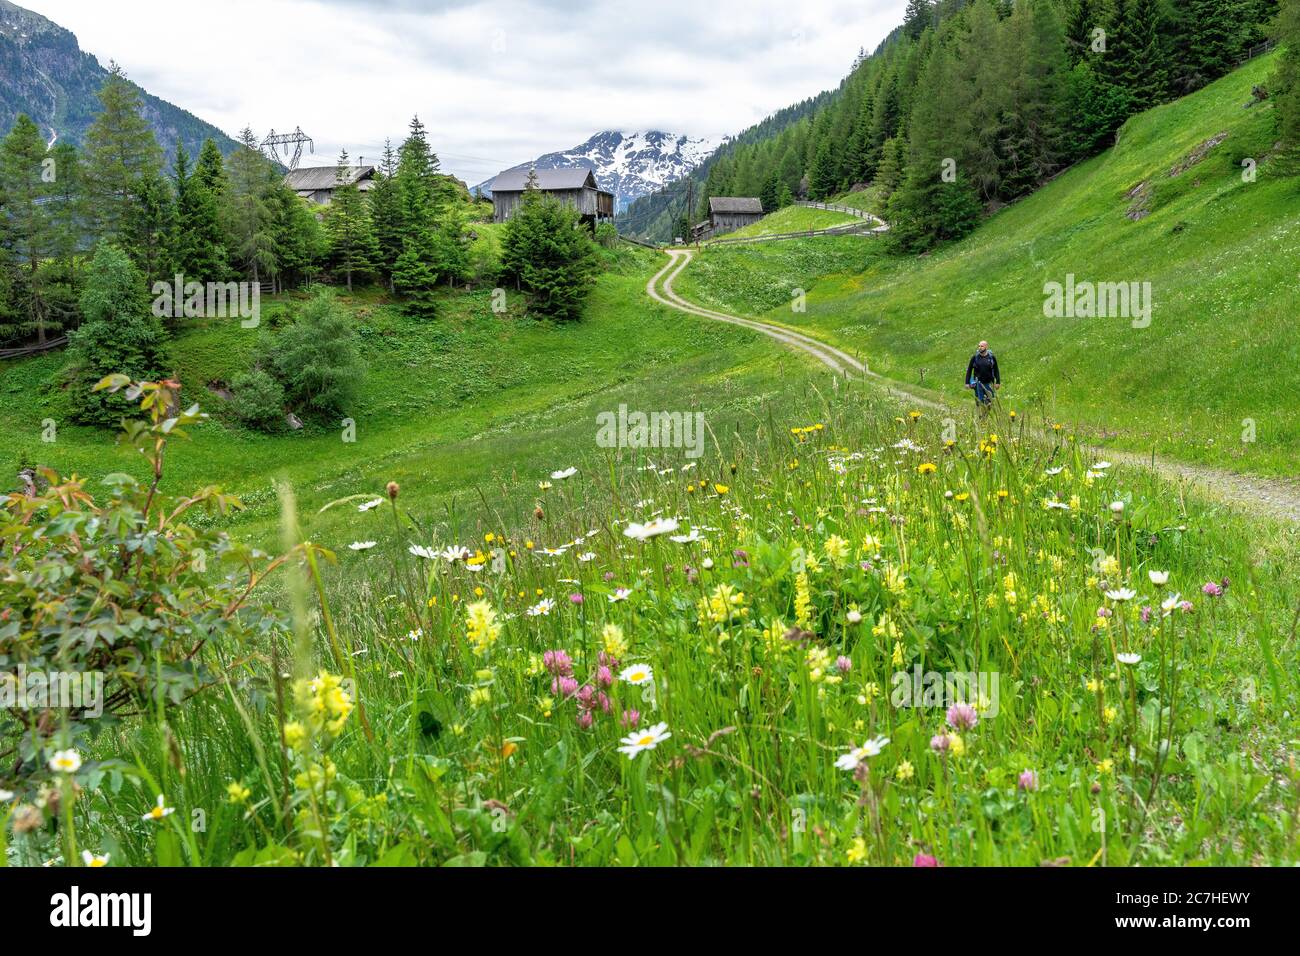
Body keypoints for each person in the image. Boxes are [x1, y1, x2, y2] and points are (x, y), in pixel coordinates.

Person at [965, 340, 1000, 408]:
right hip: (978, 384)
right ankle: (981, 416)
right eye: (979, 346)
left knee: (990, 402)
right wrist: (967, 382)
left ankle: (986, 415)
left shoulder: (992, 357)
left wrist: (998, 382)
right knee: (980, 402)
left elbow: (996, 370)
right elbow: (969, 370)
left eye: (982, 346)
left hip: (989, 384)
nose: (979, 347)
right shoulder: (975, 358)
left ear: (986, 347)